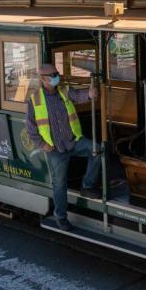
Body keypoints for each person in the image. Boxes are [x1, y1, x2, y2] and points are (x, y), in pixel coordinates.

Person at [26, 63, 100, 231]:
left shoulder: (64, 91)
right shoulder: (34, 100)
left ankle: (87, 187)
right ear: (43, 79)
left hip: (73, 141)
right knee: (59, 184)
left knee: (98, 150)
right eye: (53, 75)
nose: (56, 77)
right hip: (55, 149)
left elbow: (79, 96)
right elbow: (31, 127)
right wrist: (42, 144)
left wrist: (89, 94)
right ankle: (61, 217)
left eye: (56, 74)